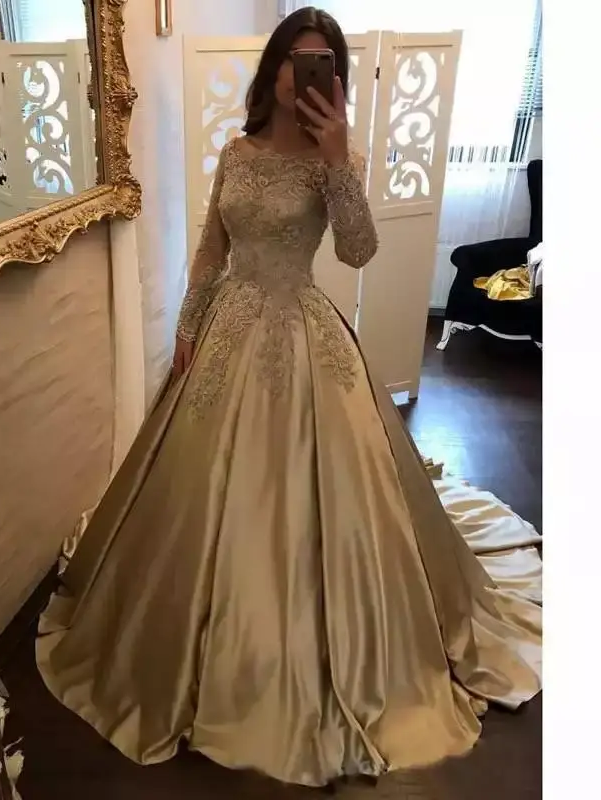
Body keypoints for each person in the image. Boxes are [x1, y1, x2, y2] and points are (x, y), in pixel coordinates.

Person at [36, 6, 542, 789]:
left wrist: (338, 160)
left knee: (327, 485)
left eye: (322, 64)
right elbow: (211, 247)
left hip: (304, 327)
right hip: (228, 325)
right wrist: (188, 325)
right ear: (274, 67)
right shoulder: (236, 152)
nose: (305, 75)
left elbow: (360, 249)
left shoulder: (336, 155)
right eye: (295, 59)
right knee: (200, 483)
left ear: (333, 80)